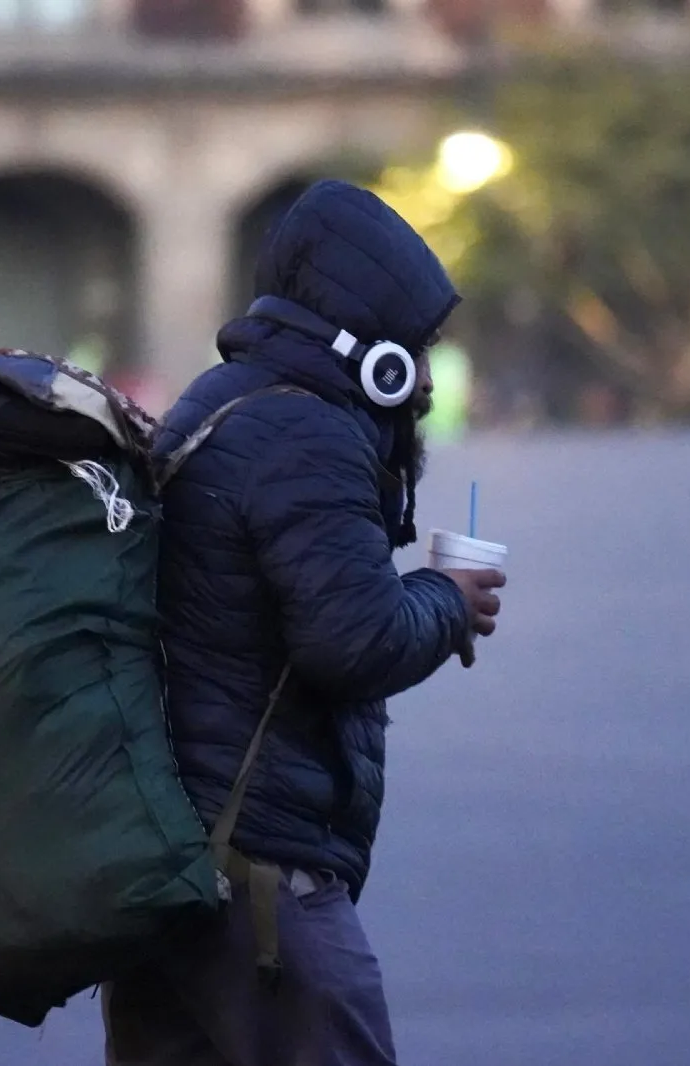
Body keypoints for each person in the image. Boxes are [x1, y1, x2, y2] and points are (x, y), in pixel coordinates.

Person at [102, 179, 505, 1066]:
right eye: (417, 348)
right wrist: (449, 599)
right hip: (260, 882)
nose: (427, 376)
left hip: (168, 866)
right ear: (374, 355)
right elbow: (351, 639)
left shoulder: (223, 399)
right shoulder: (308, 434)